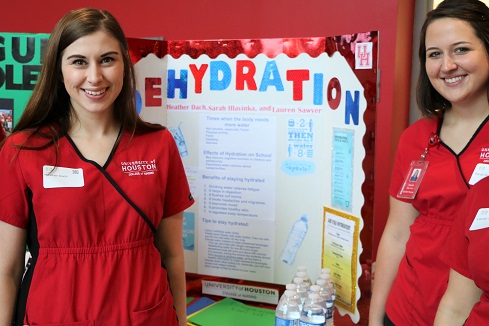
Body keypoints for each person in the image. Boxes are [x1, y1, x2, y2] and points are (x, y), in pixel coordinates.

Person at [0, 8, 194, 326]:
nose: (94, 76)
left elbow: (172, 255)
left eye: (107, 59)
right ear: (58, 70)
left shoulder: (159, 145)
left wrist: (182, 322)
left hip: (146, 317)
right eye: (79, 61)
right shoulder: (24, 150)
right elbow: (5, 271)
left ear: (124, 66)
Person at [369, 0, 489, 325]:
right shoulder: (416, 137)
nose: (447, 65)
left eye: (461, 49)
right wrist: (376, 316)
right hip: (406, 308)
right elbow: (397, 233)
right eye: (434, 54)